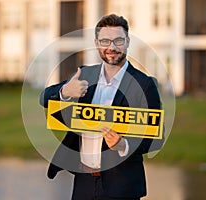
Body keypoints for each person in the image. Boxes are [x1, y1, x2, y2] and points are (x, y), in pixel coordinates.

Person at [40, 14, 163, 200]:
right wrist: (65, 91)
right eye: (105, 41)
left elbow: (155, 138)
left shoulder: (144, 85)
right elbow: (44, 98)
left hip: (122, 187)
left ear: (127, 41)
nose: (112, 47)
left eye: (118, 41)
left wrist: (124, 144)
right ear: (97, 43)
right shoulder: (84, 75)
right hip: (84, 183)